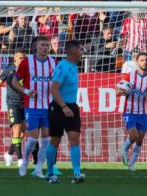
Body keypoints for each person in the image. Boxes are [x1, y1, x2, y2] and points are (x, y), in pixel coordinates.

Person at [12, 35, 56, 178]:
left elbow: (56, 83)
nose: (45, 48)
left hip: (48, 107)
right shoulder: (27, 62)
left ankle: (38, 168)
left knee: (46, 140)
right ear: (36, 46)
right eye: (42, 45)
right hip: (31, 106)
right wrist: (26, 91)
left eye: (47, 45)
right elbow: (14, 81)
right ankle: (24, 161)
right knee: (32, 139)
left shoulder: (53, 62)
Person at [46, 40, 85, 184]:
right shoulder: (62, 66)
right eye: (80, 49)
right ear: (72, 51)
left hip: (72, 106)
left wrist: (69, 107)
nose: (82, 51)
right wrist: (64, 107)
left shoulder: (74, 67)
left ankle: (77, 173)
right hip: (58, 107)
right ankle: (50, 173)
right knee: (55, 140)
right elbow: (54, 89)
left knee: (74, 138)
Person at [118, 52, 147, 171]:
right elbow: (119, 89)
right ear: (137, 62)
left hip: (143, 112)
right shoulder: (130, 75)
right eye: (142, 60)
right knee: (133, 136)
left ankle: (132, 163)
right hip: (130, 110)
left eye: (146, 60)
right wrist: (120, 92)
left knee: (140, 139)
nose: (144, 62)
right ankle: (124, 148)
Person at [0, 48, 26, 167]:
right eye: (20, 58)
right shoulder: (9, 70)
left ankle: (9, 153)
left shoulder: (27, 70)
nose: (22, 60)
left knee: (22, 133)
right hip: (12, 103)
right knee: (17, 127)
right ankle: (21, 160)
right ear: (15, 58)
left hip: (25, 103)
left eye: (24, 58)